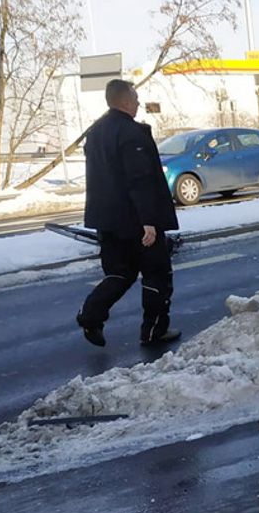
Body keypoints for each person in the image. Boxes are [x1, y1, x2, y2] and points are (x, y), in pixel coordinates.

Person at [76, 79, 181, 348]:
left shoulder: (96, 131)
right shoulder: (131, 134)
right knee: (157, 274)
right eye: (135, 97)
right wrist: (148, 220)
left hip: (107, 220)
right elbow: (139, 178)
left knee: (119, 274)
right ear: (124, 101)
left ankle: (90, 316)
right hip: (135, 219)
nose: (137, 102)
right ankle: (154, 331)